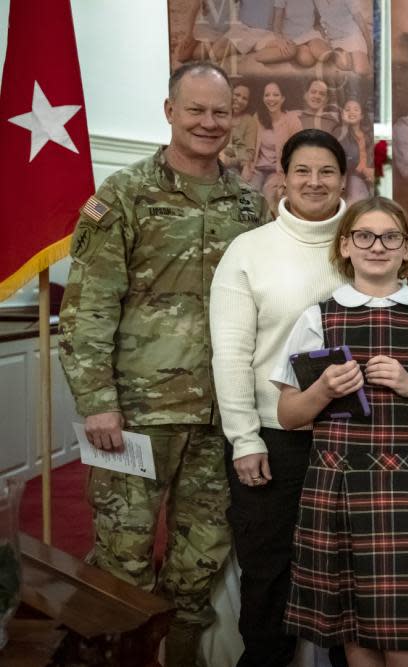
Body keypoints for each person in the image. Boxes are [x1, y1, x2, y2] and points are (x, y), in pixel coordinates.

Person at [58, 62, 270, 667]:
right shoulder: (121, 196)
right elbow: (87, 308)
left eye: (220, 112)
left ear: (233, 119)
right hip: (131, 416)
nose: (209, 122)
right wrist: (97, 400)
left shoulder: (249, 207)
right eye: (196, 109)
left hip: (220, 417)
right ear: (170, 111)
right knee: (121, 560)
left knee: (199, 561)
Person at [271, 197, 408, 667]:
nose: (377, 246)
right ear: (345, 245)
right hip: (338, 489)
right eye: (364, 236)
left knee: (406, 638)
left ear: (407, 249)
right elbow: (288, 415)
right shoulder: (319, 317)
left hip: (405, 492)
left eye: (390, 237)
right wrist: (324, 389)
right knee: (354, 631)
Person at [210, 129, 349, 667]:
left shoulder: (364, 240)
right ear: (282, 178)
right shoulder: (250, 251)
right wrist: (245, 439)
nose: (315, 182)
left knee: (350, 573)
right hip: (274, 439)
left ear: (344, 178)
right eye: (303, 171)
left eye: (327, 172)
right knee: (269, 573)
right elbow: (230, 355)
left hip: (352, 437)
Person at [246, 81, 303, 211]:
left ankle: (268, 227)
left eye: (276, 95)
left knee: (269, 194)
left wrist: (287, 175)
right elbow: (250, 144)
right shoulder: (257, 118)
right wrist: (247, 164)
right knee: (248, 195)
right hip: (257, 168)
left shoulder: (292, 120)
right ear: (263, 98)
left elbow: (299, 151)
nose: (271, 99)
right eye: (267, 95)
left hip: (278, 171)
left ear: (283, 98)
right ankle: (250, 229)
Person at [336, 99, 375, 201]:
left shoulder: (369, 135)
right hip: (352, 176)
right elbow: (342, 157)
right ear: (342, 114)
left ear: (362, 115)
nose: (351, 112)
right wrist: (345, 124)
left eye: (356, 109)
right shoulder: (339, 132)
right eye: (347, 109)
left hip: (370, 177)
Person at [222, 83, 259, 177]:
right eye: (237, 95)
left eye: (244, 98)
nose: (240, 100)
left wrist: (229, 161)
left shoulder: (249, 121)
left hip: (235, 168)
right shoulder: (220, 115)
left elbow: (249, 152)